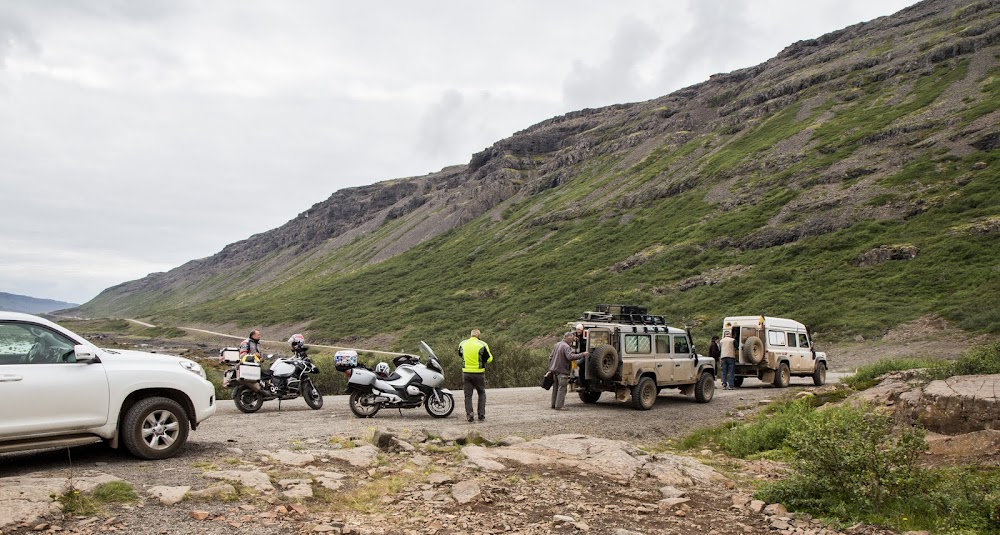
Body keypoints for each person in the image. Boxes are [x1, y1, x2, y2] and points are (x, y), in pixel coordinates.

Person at [459, 329, 494, 423]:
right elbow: (490, 359)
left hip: (466, 373)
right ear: (478, 335)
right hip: (479, 373)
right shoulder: (482, 344)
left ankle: (469, 414)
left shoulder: (463, 344)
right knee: (481, 393)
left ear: (470, 335)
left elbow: (460, 354)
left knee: (468, 395)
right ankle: (481, 414)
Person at [547, 331, 587, 410]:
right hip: (562, 371)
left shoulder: (557, 345)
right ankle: (559, 406)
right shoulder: (566, 347)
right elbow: (570, 357)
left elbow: (550, 357)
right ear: (568, 338)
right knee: (562, 388)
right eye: (571, 339)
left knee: (555, 388)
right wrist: (582, 354)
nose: (572, 341)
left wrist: (550, 368)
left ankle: (553, 404)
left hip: (554, 370)